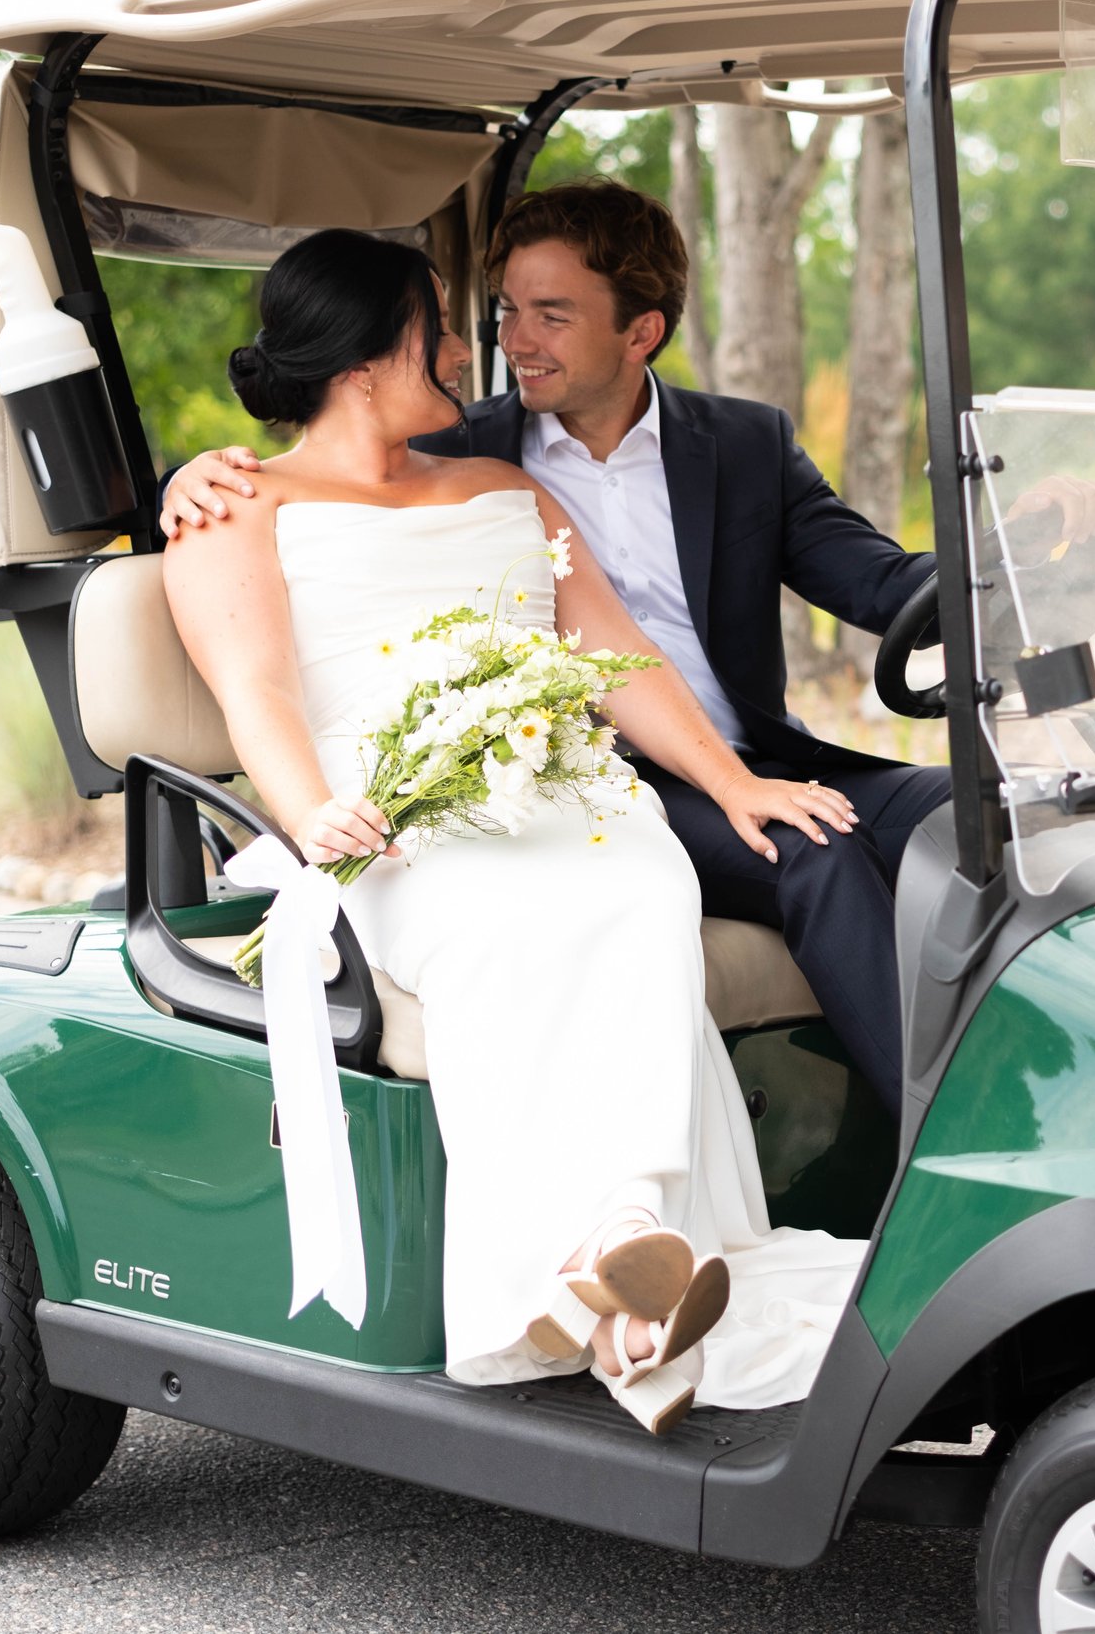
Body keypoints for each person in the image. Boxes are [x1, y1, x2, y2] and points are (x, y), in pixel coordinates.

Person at [166, 182, 1095, 1116]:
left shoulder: (743, 445)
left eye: (551, 314)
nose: (505, 343)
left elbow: (880, 584)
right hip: (579, 776)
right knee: (821, 855)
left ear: (640, 332)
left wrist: (1013, 545)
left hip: (741, 752)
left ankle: (1091, 1076)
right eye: (503, 312)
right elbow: (307, 507)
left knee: (992, 807)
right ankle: (960, 1136)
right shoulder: (472, 451)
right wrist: (189, 474)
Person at [160, 227, 866, 1436]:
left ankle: (618, 1269)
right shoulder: (233, 507)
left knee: (640, 892)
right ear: (363, 363)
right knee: (507, 922)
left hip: (559, 797)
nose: (464, 346)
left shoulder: (505, 487)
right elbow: (258, 693)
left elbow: (607, 654)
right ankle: (624, 1263)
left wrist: (728, 780)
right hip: (388, 819)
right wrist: (313, 811)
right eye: (433, 327)